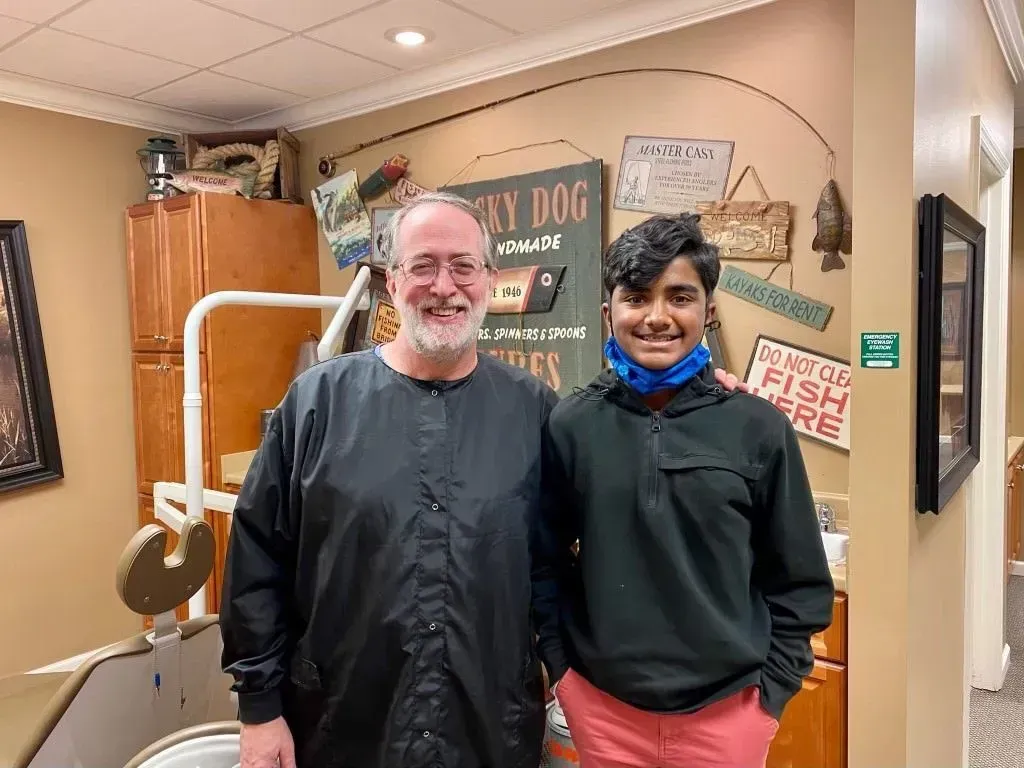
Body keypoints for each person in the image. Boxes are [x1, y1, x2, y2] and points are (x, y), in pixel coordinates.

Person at [219, 193, 745, 768]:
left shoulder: (539, 413)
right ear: (392, 283)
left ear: (489, 281)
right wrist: (259, 707)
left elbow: (611, 525)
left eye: (463, 266)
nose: (444, 286)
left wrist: (701, 402)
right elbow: (257, 561)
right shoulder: (316, 405)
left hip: (490, 731)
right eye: (422, 265)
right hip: (343, 726)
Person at [531, 212, 835, 768]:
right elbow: (544, 562)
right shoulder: (571, 424)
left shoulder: (759, 426)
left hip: (729, 714)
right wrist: (565, 672)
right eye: (637, 297)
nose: (656, 317)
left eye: (679, 297)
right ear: (609, 313)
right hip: (602, 711)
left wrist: (768, 698)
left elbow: (800, 582)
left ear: (708, 311)